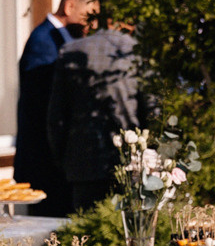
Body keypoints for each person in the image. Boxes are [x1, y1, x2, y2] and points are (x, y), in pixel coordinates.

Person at [47, 19, 149, 212]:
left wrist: (62, 158)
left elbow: (57, 118)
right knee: (131, 231)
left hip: (83, 165)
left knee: (86, 233)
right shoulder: (136, 51)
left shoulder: (71, 51)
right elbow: (153, 108)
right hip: (131, 161)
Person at [14, 0, 97, 210]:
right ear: (70, 7)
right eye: (87, 16)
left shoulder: (63, 40)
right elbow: (45, 101)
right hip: (44, 161)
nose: (90, 24)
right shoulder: (44, 41)